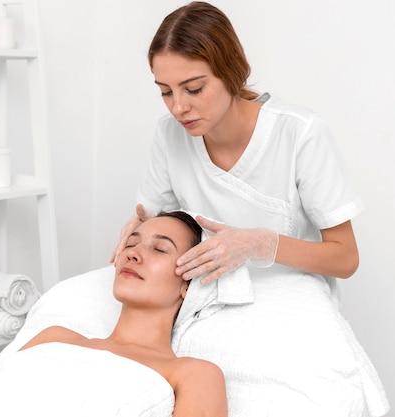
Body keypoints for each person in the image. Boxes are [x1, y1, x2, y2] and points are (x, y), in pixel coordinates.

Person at [110, 2, 389, 416]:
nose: (178, 107)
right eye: (165, 91)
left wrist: (262, 244)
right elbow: (155, 220)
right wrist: (137, 231)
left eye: (194, 88)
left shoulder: (298, 133)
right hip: (202, 305)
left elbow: (345, 258)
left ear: (231, 71)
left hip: (283, 311)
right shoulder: (169, 136)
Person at [0, 211, 228, 417]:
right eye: (131, 243)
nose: (133, 253)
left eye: (159, 249)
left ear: (189, 283)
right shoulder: (55, 337)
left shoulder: (192, 374)